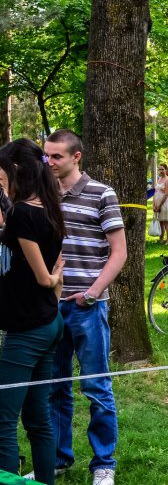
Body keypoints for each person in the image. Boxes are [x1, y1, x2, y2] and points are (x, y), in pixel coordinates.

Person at [42, 129, 125, 485]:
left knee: (96, 386)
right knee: (54, 387)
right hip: (49, 308)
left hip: (87, 307)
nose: (49, 162)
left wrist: (92, 293)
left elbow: (119, 252)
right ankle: (60, 460)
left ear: (77, 157)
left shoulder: (102, 194)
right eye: (46, 155)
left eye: (56, 156)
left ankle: (103, 464)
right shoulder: (41, 195)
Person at [0, 140, 65, 485]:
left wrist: (53, 280)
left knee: (3, 420)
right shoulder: (47, 206)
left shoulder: (23, 213)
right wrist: (55, 287)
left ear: (17, 171)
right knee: (37, 418)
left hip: (28, 330)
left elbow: (45, 275)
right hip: (48, 321)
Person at [152, 164, 168, 245]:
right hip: (157, 201)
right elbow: (155, 192)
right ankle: (161, 239)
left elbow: (166, 194)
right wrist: (154, 204)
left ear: (166, 170)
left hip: (164, 203)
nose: (161, 171)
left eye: (162, 169)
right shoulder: (159, 179)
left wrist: (160, 205)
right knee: (160, 221)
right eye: (159, 169)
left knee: (166, 222)